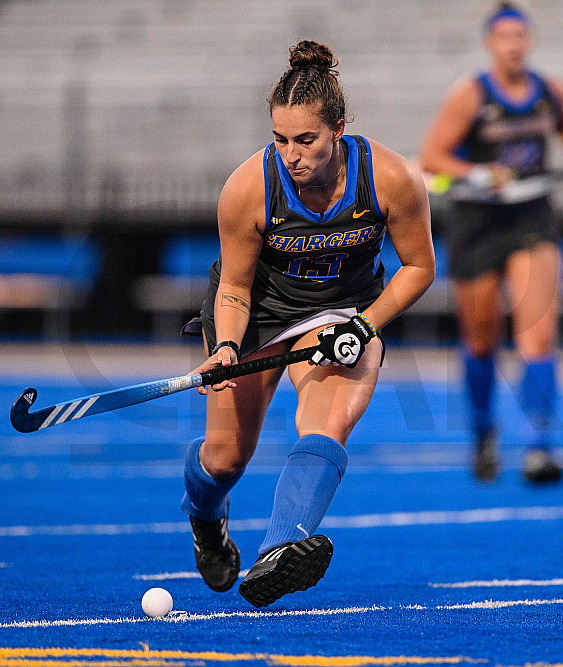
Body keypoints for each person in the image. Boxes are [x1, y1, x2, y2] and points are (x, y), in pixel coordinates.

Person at [179, 40, 435, 608]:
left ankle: (279, 549)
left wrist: (365, 326)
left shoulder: (391, 178)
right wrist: (224, 347)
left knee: (326, 420)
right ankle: (204, 516)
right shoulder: (249, 188)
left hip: (345, 309)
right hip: (258, 310)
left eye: (306, 140)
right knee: (225, 459)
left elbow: (419, 268)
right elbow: (234, 286)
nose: (291, 155)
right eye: (280, 139)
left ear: (339, 129)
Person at [418, 1, 563, 483]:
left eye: (520, 36)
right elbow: (432, 157)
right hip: (476, 223)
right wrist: (481, 173)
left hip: (531, 217)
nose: (513, 45)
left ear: (529, 42)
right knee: (481, 341)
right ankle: (484, 434)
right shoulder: (469, 95)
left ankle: (540, 446)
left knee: (538, 336)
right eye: (504, 37)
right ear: (491, 44)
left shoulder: (550, 90)